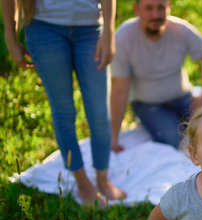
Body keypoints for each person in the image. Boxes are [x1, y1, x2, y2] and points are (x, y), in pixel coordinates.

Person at [1, 0, 127, 206]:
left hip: (91, 29)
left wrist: (109, 32)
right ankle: (83, 183)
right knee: (63, 110)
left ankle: (102, 180)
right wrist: (10, 35)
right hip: (43, 29)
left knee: (99, 113)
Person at [110, 0, 202, 152]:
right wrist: (114, 136)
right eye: (149, 8)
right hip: (147, 104)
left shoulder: (181, 30)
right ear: (137, 9)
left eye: (161, 7)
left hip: (182, 97)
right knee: (175, 139)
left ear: (169, 7)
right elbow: (119, 90)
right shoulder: (124, 37)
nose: (156, 14)